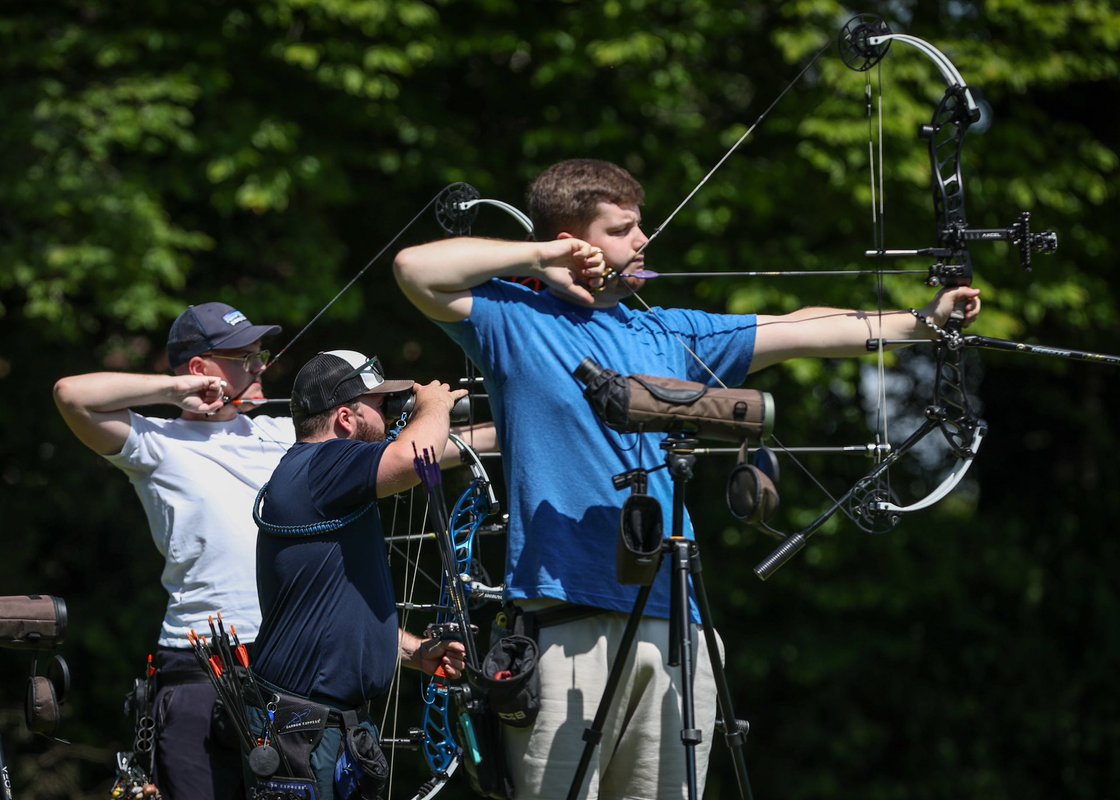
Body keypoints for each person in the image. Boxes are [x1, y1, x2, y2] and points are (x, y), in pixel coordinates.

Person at [392, 158, 983, 799]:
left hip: (677, 628)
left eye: (639, 225)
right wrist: (540, 257)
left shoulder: (669, 332)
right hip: (564, 623)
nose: (642, 240)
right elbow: (414, 269)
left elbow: (802, 328)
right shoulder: (513, 320)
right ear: (574, 241)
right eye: (622, 229)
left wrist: (924, 320)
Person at [53, 301, 294, 800]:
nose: (260, 367)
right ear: (201, 369)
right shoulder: (157, 442)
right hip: (197, 667)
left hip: (283, 661)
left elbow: (397, 450)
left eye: (260, 355)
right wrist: (174, 390)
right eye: (245, 357)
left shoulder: (282, 432)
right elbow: (70, 394)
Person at [250, 349, 474, 798]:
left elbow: (333, 614)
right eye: (381, 405)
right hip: (305, 731)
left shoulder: (323, 479)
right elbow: (416, 457)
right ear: (346, 419)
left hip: (325, 728)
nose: (391, 416)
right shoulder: (322, 464)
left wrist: (413, 651)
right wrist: (434, 404)